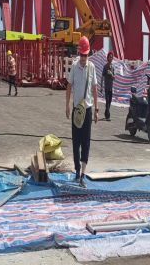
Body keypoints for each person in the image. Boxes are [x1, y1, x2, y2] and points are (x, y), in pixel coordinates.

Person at [65, 36, 98, 187]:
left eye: (86, 55)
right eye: (82, 55)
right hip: (77, 110)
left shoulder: (92, 68)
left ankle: (83, 174)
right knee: (75, 142)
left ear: (88, 54)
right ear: (79, 53)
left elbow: (95, 89)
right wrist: (67, 105)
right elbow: (69, 86)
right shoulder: (74, 66)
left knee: (86, 142)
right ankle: (77, 170)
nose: (84, 58)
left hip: (88, 110)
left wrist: (96, 109)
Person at [101, 51, 115, 120]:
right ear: (107, 58)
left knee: (110, 101)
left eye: (112, 57)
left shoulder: (112, 67)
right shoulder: (105, 66)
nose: (111, 58)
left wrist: (112, 75)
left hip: (111, 87)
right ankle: (108, 116)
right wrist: (101, 86)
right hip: (106, 86)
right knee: (107, 100)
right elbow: (102, 76)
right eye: (110, 57)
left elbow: (114, 78)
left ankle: (106, 113)